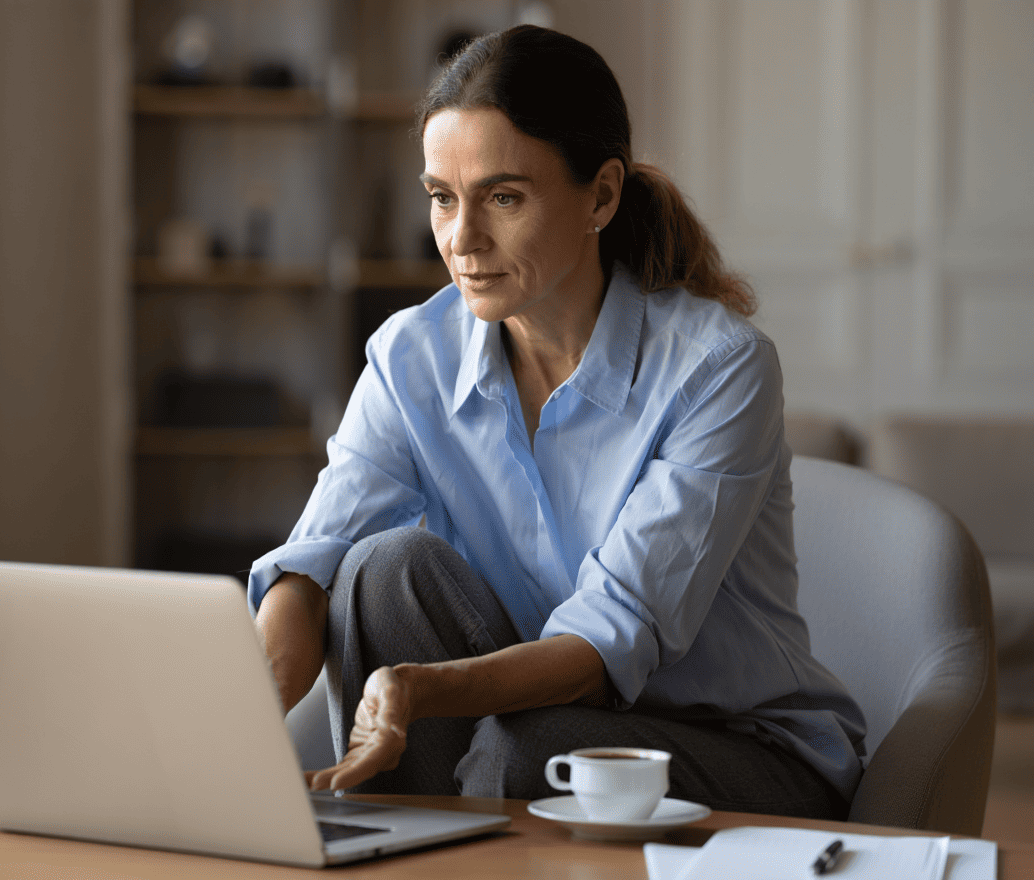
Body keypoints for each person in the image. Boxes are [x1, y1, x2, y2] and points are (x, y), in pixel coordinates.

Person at [249, 24, 866, 819]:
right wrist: (241, 723)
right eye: (442, 197)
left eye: (504, 197)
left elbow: (609, 636)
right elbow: (313, 562)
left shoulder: (719, 368)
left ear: (601, 195)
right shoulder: (411, 357)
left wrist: (418, 687)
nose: (461, 241)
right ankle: (400, 852)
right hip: (534, 729)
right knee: (380, 570)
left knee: (528, 751)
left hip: (737, 748)